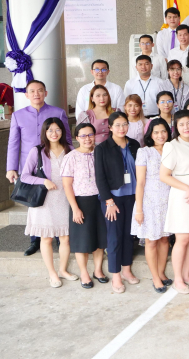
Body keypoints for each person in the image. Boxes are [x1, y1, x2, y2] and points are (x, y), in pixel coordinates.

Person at [6, 80, 72, 257]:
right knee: (34, 202)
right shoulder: (18, 115)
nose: (36, 94)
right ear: (26, 95)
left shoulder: (57, 112)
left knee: (59, 198)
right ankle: (35, 240)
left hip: (55, 162)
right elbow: (13, 142)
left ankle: (61, 237)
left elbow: (68, 139)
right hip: (31, 166)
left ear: (46, 93)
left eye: (40, 91)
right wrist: (11, 167)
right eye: (32, 91)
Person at [19, 118, 75, 287]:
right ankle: (52, 274)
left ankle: (63, 270)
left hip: (64, 199)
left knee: (65, 238)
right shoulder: (37, 151)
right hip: (44, 201)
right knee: (47, 238)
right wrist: (43, 182)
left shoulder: (70, 150)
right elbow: (25, 176)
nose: (54, 133)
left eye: (57, 130)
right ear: (45, 132)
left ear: (63, 131)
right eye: (50, 130)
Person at [94, 112, 141, 294]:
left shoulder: (134, 145)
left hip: (133, 197)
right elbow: (100, 178)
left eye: (125, 124)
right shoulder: (103, 148)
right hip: (113, 199)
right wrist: (108, 201)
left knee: (129, 235)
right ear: (111, 127)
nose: (122, 128)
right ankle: (115, 275)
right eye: (118, 125)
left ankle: (127, 269)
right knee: (114, 237)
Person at [62, 123, 108, 289]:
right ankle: (84, 273)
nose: (87, 138)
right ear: (76, 138)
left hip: (100, 200)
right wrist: (75, 208)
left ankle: (98, 270)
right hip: (81, 202)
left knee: (100, 238)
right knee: (82, 240)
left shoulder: (100, 153)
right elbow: (67, 185)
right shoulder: (71, 157)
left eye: (90, 135)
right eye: (83, 135)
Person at [160, 110, 189, 294]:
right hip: (183, 195)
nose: (186, 127)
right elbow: (164, 176)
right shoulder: (172, 145)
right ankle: (177, 278)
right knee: (182, 237)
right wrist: (186, 188)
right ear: (176, 126)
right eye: (182, 124)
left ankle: (186, 274)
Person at [131, 118, 172, 293]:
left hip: (169, 201)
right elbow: (140, 183)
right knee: (151, 241)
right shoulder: (144, 152)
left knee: (164, 239)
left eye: (163, 131)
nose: (160, 135)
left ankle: (162, 273)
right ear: (150, 134)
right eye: (156, 132)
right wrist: (139, 209)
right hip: (149, 202)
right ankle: (155, 277)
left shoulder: (172, 150)